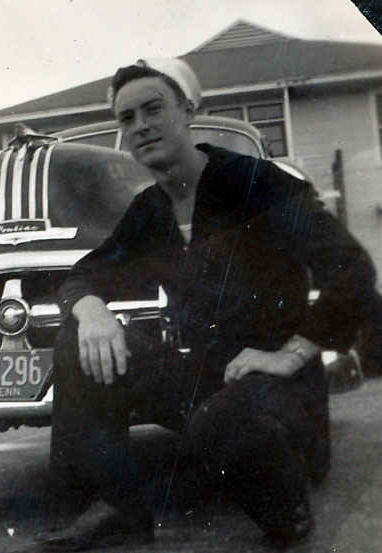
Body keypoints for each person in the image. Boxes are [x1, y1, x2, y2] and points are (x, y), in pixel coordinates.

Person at [38, 57, 377, 550]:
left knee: (219, 422)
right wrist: (91, 310)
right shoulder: (148, 211)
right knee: (76, 339)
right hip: (202, 377)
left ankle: (289, 513)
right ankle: (120, 507)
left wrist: (292, 353)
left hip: (278, 388)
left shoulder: (258, 183)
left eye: (153, 109)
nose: (140, 127)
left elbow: (353, 270)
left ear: (188, 110)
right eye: (126, 119)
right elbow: (86, 273)